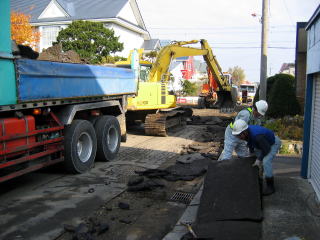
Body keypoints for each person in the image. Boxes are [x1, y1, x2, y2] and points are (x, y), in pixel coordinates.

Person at [231, 119, 281, 195]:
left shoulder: (257, 136)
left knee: (266, 161)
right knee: (255, 158)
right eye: (237, 135)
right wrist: (252, 154)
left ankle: (270, 187)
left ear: (245, 131)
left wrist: (259, 159)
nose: (238, 137)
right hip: (262, 144)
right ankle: (259, 177)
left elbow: (267, 149)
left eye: (239, 135)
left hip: (272, 144)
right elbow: (250, 142)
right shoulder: (247, 132)